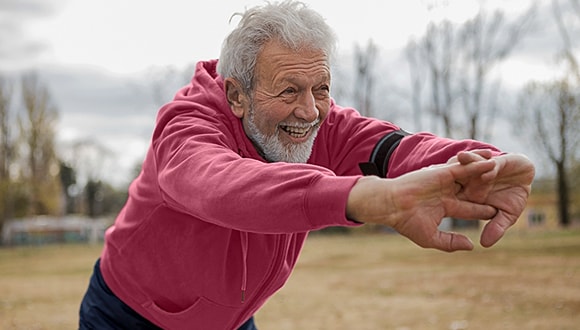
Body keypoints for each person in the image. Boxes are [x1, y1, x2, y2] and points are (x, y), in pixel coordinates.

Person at [79, 1, 535, 329]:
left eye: (321, 88)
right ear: (237, 95)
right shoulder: (186, 128)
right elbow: (224, 186)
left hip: (231, 320)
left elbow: (391, 147)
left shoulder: (320, 121)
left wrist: (481, 166)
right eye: (289, 91)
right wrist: (359, 198)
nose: (311, 111)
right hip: (127, 315)